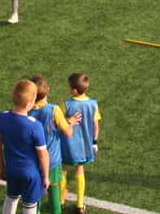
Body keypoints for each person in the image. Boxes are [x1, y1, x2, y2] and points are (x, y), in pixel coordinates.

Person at [0, 79, 50, 214]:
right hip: (31, 174)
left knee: (11, 199)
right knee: (30, 205)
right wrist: (46, 176)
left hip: (11, 170)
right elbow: (43, 154)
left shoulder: (1, 117)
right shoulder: (35, 125)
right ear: (28, 104)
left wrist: (1, 168)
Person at [28, 74, 82, 214]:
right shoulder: (53, 110)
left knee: (36, 195)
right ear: (48, 90)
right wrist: (70, 122)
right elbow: (68, 133)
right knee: (54, 195)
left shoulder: (26, 111)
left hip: (33, 160)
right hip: (52, 160)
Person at [61, 73, 101, 214]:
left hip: (67, 143)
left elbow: (61, 123)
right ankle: (79, 205)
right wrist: (94, 142)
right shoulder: (93, 104)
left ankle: (60, 201)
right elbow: (96, 126)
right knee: (79, 170)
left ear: (74, 90)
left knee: (63, 170)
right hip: (84, 145)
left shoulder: (66, 104)